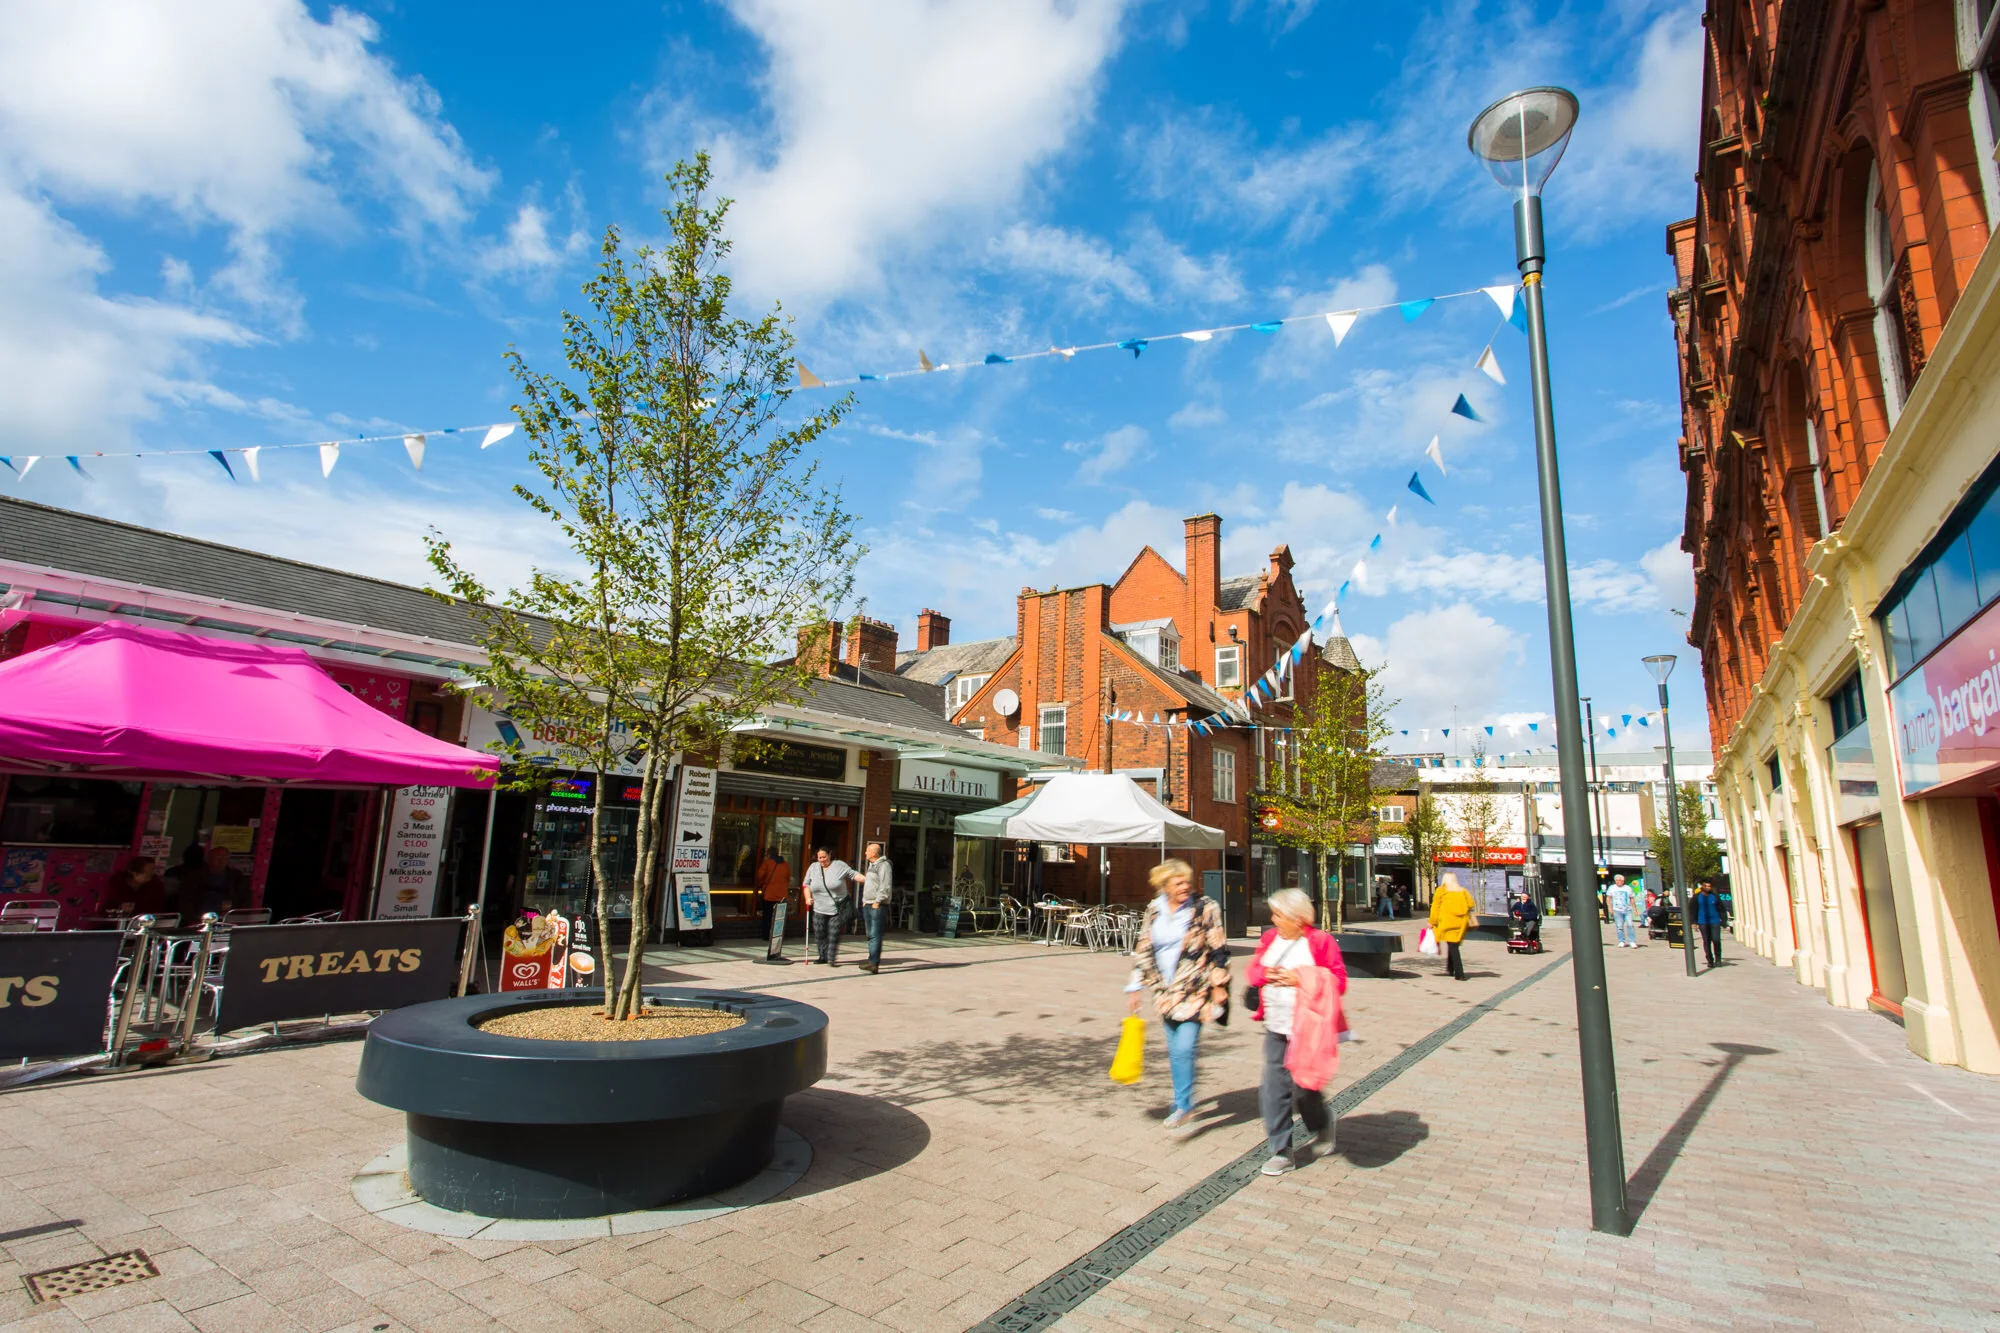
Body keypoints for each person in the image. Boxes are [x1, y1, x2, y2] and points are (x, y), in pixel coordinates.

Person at [1245, 887, 1346, 1177]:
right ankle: (1281, 1152)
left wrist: (1299, 978)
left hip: (1308, 1028)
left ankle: (1322, 1122)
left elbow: (1338, 981)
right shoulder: (1269, 939)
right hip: (1276, 1024)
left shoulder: (1319, 941)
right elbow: (1253, 972)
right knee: (1273, 1089)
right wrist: (1268, 975)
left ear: (1298, 917)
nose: (1274, 920)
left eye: (1279, 915)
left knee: (1305, 1089)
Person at [1125, 859, 1229, 1130]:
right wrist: (1135, 985)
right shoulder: (1155, 909)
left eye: (1187, 881)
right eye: (1178, 882)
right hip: (1164, 989)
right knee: (1175, 1050)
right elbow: (1144, 947)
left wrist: (1219, 985)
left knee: (1184, 1048)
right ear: (1164, 886)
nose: (1185, 886)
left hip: (1194, 987)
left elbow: (1218, 947)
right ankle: (1182, 1100)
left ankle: (1183, 1106)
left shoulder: (1205, 907)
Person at [801, 847, 856, 966]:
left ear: (830, 855)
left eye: (824, 857)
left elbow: (853, 874)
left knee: (833, 933)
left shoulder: (839, 865)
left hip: (836, 907)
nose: (821, 860)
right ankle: (822, 956)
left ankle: (831, 958)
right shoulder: (813, 867)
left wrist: (868, 880)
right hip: (819, 908)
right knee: (819, 933)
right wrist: (807, 898)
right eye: (819, 857)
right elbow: (806, 884)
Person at [1427, 872, 1478, 981]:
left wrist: (1432, 921)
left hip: (1446, 922)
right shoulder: (1462, 891)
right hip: (1461, 923)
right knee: (1453, 944)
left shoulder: (1441, 891)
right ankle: (1450, 968)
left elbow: (1435, 907)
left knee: (1453, 947)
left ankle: (1460, 973)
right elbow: (1471, 904)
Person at [178, 845, 241, 923]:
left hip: (227, 917)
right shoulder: (196, 876)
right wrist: (191, 919)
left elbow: (243, 897)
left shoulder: (235, 876)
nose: (221, 860)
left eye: (225, 857)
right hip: (200, 917)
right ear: (209, 859)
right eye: (218, 857)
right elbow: (186, 899)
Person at [859, 841, 893, 974]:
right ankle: (871, 960)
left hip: (877, 905)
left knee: (875, 934)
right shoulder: (872, 865)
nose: (865, 853)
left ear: (874, 852)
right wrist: (864, 900)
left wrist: (877, 901)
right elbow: (869, 884)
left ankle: (874, 962)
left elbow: (885, 885)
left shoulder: (884, 866)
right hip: (868, 903)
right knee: (869, 933)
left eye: (867, 850)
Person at [100, 855, 169, 919]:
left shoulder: (155, 885)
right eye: (150, 870)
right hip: (114, 924)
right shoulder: (115, 885)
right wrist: (120, 909)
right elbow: (104, 909)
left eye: (154, 869)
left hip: (145, 923)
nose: (153, 873)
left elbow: (158, 908)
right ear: (135, 873)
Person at [755, 847, 790, 958]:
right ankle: (779, 937)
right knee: (779, 918)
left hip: (770, 894)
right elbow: (788, 878)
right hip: (782, 895)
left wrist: (762, 883)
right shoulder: (785, 865)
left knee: (768, 917)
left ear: (769, 854)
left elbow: (759, 875)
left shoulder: (767, 863)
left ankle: (767, 935)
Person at [1692, 881, 1724, 966]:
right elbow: (1692, 910)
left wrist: (1724, 921)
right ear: (1702, 886)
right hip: (1703, 922)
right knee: (1706, 941)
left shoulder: (1714, 896)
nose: (1708, 888)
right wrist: (1694, 922)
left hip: (1715, 921)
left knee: (1716, 940)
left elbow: (1721, 909)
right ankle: (1710, 959)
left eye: (1709, 886)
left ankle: (1718, 959)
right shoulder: (1697, 897)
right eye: (1706, 886)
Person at [1607, 874, 1638, 948]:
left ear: (1623, 881)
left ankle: (1632, 941)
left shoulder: (1628, 888)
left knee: (1630, 925)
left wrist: (1635, 910)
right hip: (1617, 910)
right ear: (1615, 881)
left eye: (1621, 880)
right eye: (1618, 880)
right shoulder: (1612, 888)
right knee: (1619, 926)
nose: (1619, 882)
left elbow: (1632, 899)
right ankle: (1621, 941)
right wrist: (1609, 908)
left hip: (1627, 909)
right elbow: (1608, 898)